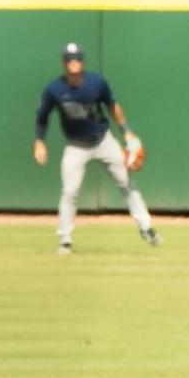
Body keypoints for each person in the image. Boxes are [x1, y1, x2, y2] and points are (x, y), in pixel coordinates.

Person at [34, 42, 160, 254]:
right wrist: (39, 141)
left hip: (104, 141)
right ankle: (65, 240)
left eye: (77, 58)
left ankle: (147, 228)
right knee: (69, 192)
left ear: (82, 60)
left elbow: (113, 106)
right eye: (70, 58)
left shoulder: (96, 82)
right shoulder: (54, 89)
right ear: (64, 62)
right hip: (75, 147)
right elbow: (42, 117)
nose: (74, 62)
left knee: (127, 184)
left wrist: (126, 131)